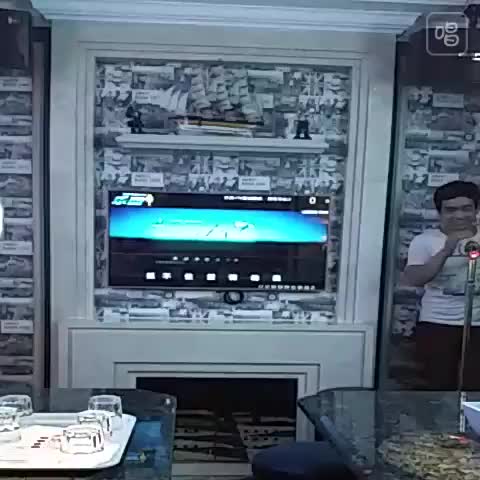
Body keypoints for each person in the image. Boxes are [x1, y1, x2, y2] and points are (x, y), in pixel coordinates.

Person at [403, 180, 480, 390]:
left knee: (474, 389)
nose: (459, 215)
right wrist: (446, 250)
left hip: (477, 324)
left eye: (466, 208)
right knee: (437, 386)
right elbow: (415, 279)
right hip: (437, 323)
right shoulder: (424, 240)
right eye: (451, 210)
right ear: (440, 213)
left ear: (476, 210)